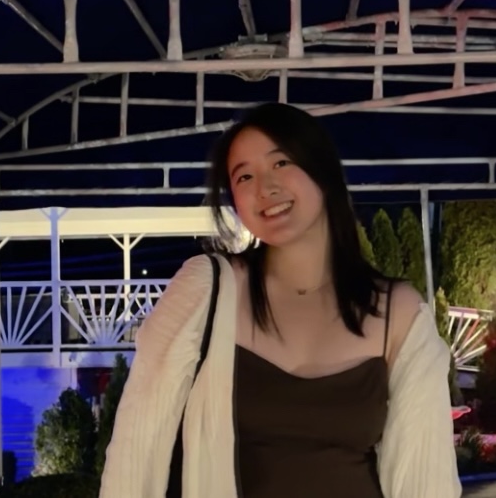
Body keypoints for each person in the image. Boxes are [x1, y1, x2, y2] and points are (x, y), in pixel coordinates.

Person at [100, 103, 461, 498]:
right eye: (244, 176)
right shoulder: (207, 289)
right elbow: (137, 448)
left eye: (281, 163)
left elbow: (427, 481)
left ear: (321, 169)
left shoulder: (398, 312)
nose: (265, 188)